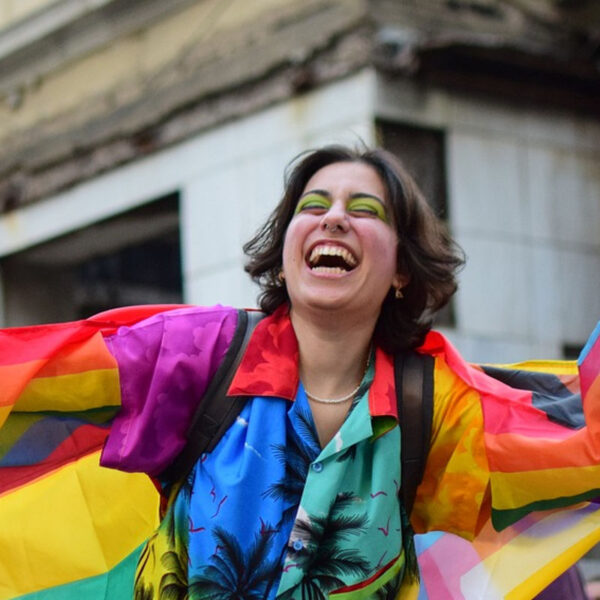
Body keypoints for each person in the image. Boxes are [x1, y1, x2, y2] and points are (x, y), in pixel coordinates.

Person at [1, 145, 599, 600]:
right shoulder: (199, 354)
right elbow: (30, 382)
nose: (333, 219)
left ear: (400, 271)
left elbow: (584, 450)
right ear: (285, 258)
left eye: (364, 211)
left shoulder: (432, 405)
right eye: (314, 206)